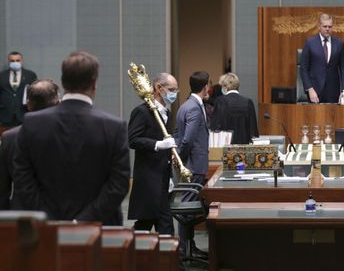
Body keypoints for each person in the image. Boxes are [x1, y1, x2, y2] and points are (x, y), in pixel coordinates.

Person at [13, 51, 130, 225]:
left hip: (44, 230)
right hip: (98, 230)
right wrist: (82, 221)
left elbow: (22, 180)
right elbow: (118, 185)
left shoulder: (32, 123)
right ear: (94, 83)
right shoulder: (114, 127)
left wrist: (50, 220)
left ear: (63, 82)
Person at [127, 73, 178, 235]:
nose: (174, 93)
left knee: (149, 222)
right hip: (149, 177)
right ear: (158, 88)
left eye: (176, 90)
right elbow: (133, 140)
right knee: (162, 224)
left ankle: (132, 253)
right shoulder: (142, 112)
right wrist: (158, 144)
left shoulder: (167, 113)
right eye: (171, 89)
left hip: (163, 177)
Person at [0, 79, 60, 210]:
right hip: (60, 215)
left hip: (21, 216)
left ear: (28, 105)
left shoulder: (9, 138)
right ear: (58, 103)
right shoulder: (66, 135)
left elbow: (3, 189)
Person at [175, 71, 210, 256]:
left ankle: (188, 245)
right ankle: (183, 248)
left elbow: (176, 133)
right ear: (205, 87)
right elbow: (187, 140)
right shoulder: (195, 108)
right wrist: (180, 157)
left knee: (187, 206)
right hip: (193, 164)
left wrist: (177, 154)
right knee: (187, 207)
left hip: (190, 163)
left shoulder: (185, 105)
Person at [300, 13, 344, 103]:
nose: (327, 29)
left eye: (330, 27)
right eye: (325, 26)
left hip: (333, 92)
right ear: (319, 26)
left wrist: (343, 92)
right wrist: (310, 89)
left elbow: (343, 68)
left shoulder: (339, 43)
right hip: (315, 92)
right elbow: (303, 68)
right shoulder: (310, 43)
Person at [210, 73, 259, 144]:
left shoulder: (220, 101)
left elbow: (215, 127)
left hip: (226, 148)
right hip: (244, 148)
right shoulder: (248, 102)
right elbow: (253, 130)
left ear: (224, 87)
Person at [0, 51, 38, 133]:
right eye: (12, 61)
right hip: (5, 115)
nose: (15, 62)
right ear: (8, 61)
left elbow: (34, 94)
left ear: (22, 61)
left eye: (17, 60)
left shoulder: (30, 75)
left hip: (24, 114)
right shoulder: (1, 75)